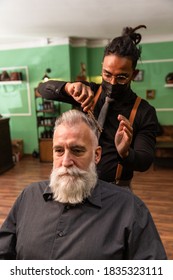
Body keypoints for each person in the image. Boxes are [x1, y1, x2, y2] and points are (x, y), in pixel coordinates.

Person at [0, 110, 167, 260]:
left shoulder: (129, 209)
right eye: (59, 150)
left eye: (77, 151)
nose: (66, 161)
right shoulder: (28, 197)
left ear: (96, 155)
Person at [38, 25, 159, 188]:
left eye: (122, 77)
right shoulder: (88, 92)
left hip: (115, 189)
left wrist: (126, 152)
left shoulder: (144, 112)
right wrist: (68, 87)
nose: (112, 82)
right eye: (107, 74)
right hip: (76, 181)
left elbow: (145, 161)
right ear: (102, 67)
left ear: (134, 74)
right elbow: (43, 89)